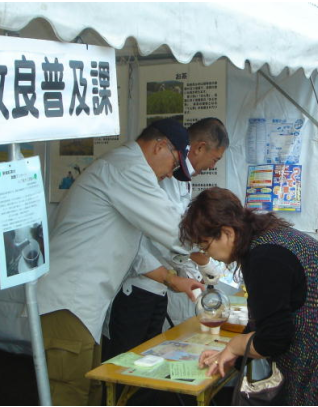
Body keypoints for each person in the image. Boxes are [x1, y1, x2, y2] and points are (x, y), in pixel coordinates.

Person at [37, 119, 204, 406]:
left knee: (91, 387)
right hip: (68, 300)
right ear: (158, 146)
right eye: (175, 164)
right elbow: (174, 231)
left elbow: (134, 249)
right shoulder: (128, 168)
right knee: (71, 391)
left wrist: (171, 278)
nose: (170, 175)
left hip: (84, 304)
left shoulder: (127, 171)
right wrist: (216, 244)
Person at [179, 187, 318, 405]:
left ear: (227, 233)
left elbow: (273, 339)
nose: (207, 254)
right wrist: (231, 354)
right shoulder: (268, 237)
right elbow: (267, 318)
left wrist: (234, 346)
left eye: (205, 246)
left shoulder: (264, 256)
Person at [104, 118, 230, 361]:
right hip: (137, 286)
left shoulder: (183, 179)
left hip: (161, 285)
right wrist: (206, 263)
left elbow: (180, 234)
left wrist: (194, 272)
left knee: (149, 360)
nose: (212, 165)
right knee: (125, 362)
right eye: (215, 159)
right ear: (200, 147)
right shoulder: (159, 175)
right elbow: (167, 236)